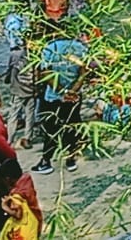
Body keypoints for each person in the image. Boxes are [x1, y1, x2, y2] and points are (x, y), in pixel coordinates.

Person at [31, 32, 88, 174]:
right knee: (71, 126)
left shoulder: (50, 48)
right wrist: (73, 91)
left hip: (53, 97)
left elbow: (46, 74)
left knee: (51, 129)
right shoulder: (80, 48)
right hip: (74, 96)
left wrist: (62, 92)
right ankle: (70, 159)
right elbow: (83, 73)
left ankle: (46, 161)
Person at [1, 0, 39, 149]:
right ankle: (25, 137)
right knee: (27, 103)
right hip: (21, 53)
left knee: (17, 105)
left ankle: (10, 138)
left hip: (16, 54)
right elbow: (20, 40)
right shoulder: (18, 22)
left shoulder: (11, 19)